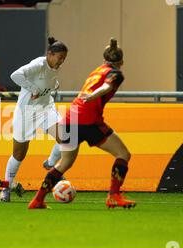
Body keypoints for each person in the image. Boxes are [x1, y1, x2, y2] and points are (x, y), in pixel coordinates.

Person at [28, 38, 136, 209]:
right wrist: (94, 96)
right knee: (123, 154)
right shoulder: (116, 73)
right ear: (121, 61)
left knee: (64, 163)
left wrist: (92, 96)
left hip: (71, 119)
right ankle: (114, 195)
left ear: (103, 60)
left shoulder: (97, 70)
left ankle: (37, 200)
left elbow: (101, 86)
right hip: (89, 121)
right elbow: (107, 87)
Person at [0, 37, 68, 202]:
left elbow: (47, 80)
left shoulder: (54, 66)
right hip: (26, 113)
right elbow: (15, 75)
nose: (62, 61)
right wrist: (33, 88)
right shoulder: (38, 64)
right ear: (50, 54)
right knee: (19, 154)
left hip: (46, 109)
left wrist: (54, 84)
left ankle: (51, 163)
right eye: (60, 58)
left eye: (64, 59)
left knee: (66, 137)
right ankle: (6, 187)